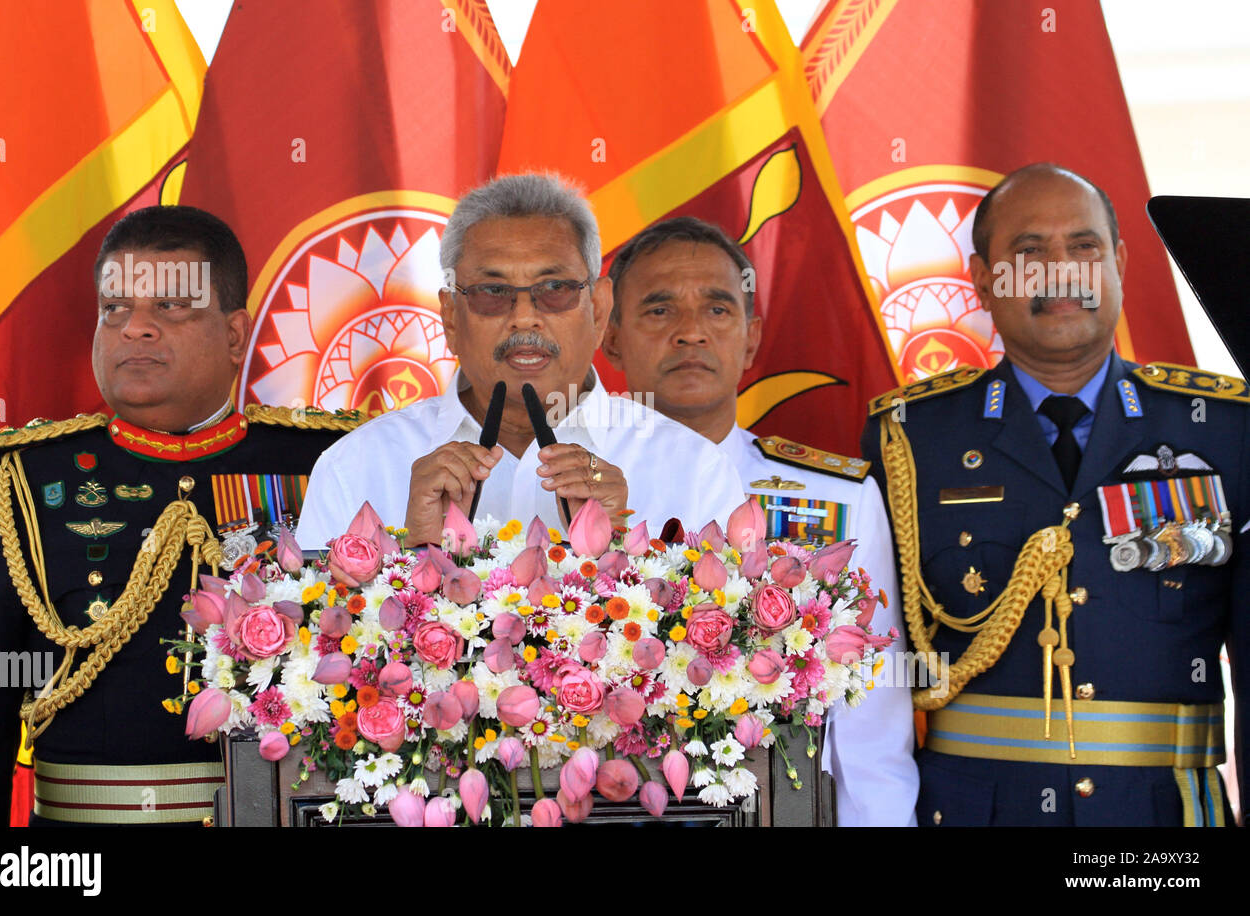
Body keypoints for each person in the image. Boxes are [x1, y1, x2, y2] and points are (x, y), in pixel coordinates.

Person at [861, 162, 1248, 826]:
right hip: (974, 811)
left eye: (1084, 246)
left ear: (1120, 263)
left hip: (1164, 818)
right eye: (1029, 251)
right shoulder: (910, 438)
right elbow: (873, 673)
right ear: (983, 279)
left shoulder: (1224, 428)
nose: (1060, 270)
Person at [0, 206, 358, 825]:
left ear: (233, 333)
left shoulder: (328, 464)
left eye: (169, 307)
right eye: (114, 309)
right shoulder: (23, 486)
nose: (134, 328)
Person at [601, 216, 918, 826]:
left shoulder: (836, 500)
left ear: (750, 339)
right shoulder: (562, 490)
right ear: (611, 339)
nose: (691, 332)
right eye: (659, 310)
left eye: (718, 310)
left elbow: (871, 720)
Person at [296, 174, 745, 549]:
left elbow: (729, 650)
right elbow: (315, 650)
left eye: (555, 289)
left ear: (600, 309)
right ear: (450, 316)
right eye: (493, 293)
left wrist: (619, 564)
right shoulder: (356, 467)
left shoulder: (695, 470)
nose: (525, 316)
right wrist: (415, 558)